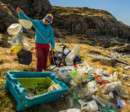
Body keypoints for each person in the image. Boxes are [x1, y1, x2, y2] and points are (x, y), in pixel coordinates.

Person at [16, 7, 55, 71]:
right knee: (40, 58)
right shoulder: (37, 23)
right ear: (44, 18)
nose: (46, 22)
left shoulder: (50, 28)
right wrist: (20, 12)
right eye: (46, 20)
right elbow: (28, 19)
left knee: (45, 59)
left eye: (48, 21)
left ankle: (44, 70)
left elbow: (51, 38)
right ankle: (39, 71)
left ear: (50, 22)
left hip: (46, 45)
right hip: (39, 44)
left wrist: (53, 46)